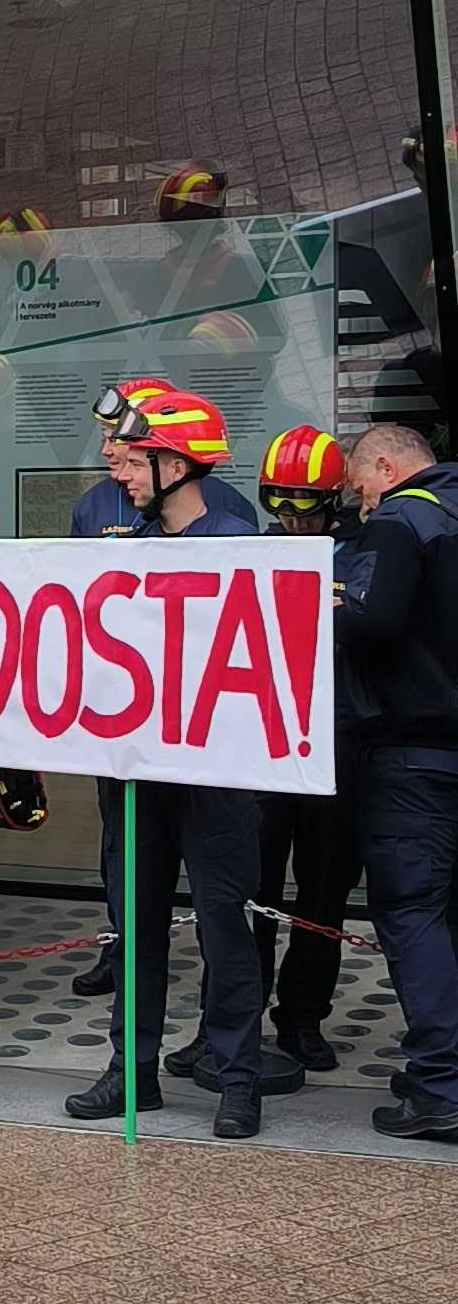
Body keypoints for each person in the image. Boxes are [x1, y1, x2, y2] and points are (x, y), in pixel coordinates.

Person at [66, 387, 270, 1139]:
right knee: (136, 929)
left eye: (136, 460)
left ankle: (237, 1081)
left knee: (225, 927)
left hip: (216, 778)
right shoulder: (127, 544)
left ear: (176, 465)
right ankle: (132, 1071)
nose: (119, 473)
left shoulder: (238, 539)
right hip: (136, 770)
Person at [338, 419, 458, 1142]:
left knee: (412, 912)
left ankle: (441, 1086)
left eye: (361, 488)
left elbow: (372, 619)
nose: (362, 504)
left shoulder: (401, 519)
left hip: (414, 753)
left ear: (386, 466)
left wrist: (334, 600)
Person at [250, 426, 364, 1073]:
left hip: (337, 745)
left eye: (305, 504)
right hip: (267, 743)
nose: (292, 518)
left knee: (323, 890)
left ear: (334, 498)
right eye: (278, 503)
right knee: (252, 890)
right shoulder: (257, 551)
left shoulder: (363, 551)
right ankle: (234, 1020)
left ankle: (302, 1017)